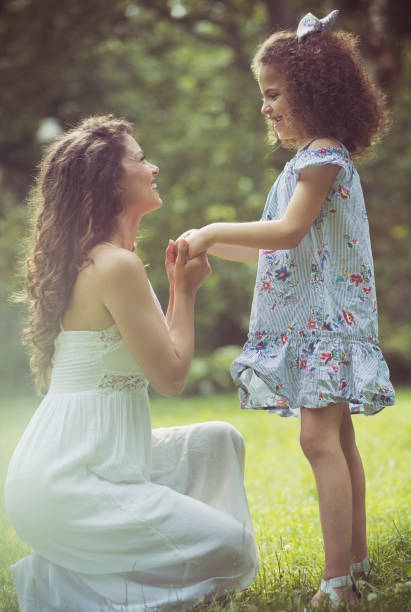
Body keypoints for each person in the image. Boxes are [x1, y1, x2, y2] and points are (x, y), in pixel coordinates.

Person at [177, 11, 395, 609]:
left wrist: (215, 226)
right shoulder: (310, 163)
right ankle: (352, 565)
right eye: (262, 96)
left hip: (323, 326)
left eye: (273, 94)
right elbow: (275, 253)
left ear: (310, 90)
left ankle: (337, 585)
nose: (266, 107)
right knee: (337, 440)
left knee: (319, 441)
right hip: (321, 323)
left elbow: (289, 231)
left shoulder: (322, 157)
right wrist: (204, 242)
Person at [4, 115, 258, 611]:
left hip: (106, 463)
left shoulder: (104, 260)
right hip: (67, 485)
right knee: (232, 549)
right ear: (112, 179)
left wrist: (178, 291)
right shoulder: (112, 265)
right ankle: (60, 583)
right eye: (141, 159)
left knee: (218, 442)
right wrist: (184, 292)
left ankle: (91, 568)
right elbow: (171, 376)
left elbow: (155, 355)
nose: (154, 166)